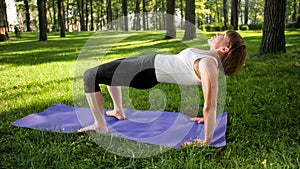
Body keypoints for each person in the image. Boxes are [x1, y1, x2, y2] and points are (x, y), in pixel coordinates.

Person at [79, 30, 247, 147]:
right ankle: (118, 111)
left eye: (223, 36)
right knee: (110, 73)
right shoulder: (209, 60)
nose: (218, 34)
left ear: (225, 49)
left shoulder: (208, 64)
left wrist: (206, 140)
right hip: (146, 65)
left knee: (90, 76)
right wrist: (206, 118)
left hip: (145, 72)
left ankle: (100, 125)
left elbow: (211, 104)